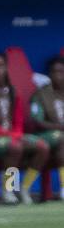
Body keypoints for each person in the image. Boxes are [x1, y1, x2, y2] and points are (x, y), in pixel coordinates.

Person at [0, 50, 48, 203]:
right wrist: (13, 136)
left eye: (1, 65)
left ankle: (25, 188)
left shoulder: (13, 91)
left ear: (7, 67)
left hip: (14, 136)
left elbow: (18, 120)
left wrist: (17, 134)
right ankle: (8, 189)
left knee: (42, 146)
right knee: (15, 147)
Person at [28, 56, 64, 196]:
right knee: (14, 150)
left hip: (14, 138)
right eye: (55, 72)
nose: (58, 76)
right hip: (41, 136)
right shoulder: (41, 94)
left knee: (14, 149)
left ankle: (18, 190)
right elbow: (37, 121)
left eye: (61, 72)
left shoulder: (10, 94)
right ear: (49, 74)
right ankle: (16, 189)